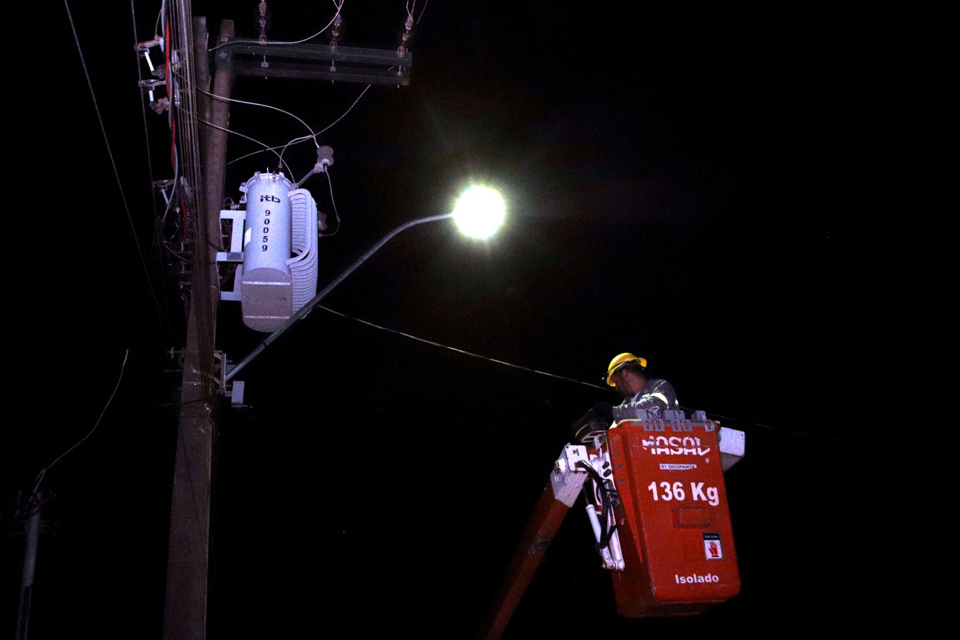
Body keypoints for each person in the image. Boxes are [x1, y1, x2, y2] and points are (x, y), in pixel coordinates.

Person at [570, 353, 679, 443]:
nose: (616, 388)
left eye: (616, 381)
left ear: (625, 373)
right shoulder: (626, 404)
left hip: (669, 453)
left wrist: (610, 411)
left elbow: (652, 410)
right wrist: (596, 438)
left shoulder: (660, 386)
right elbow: (612, 435)